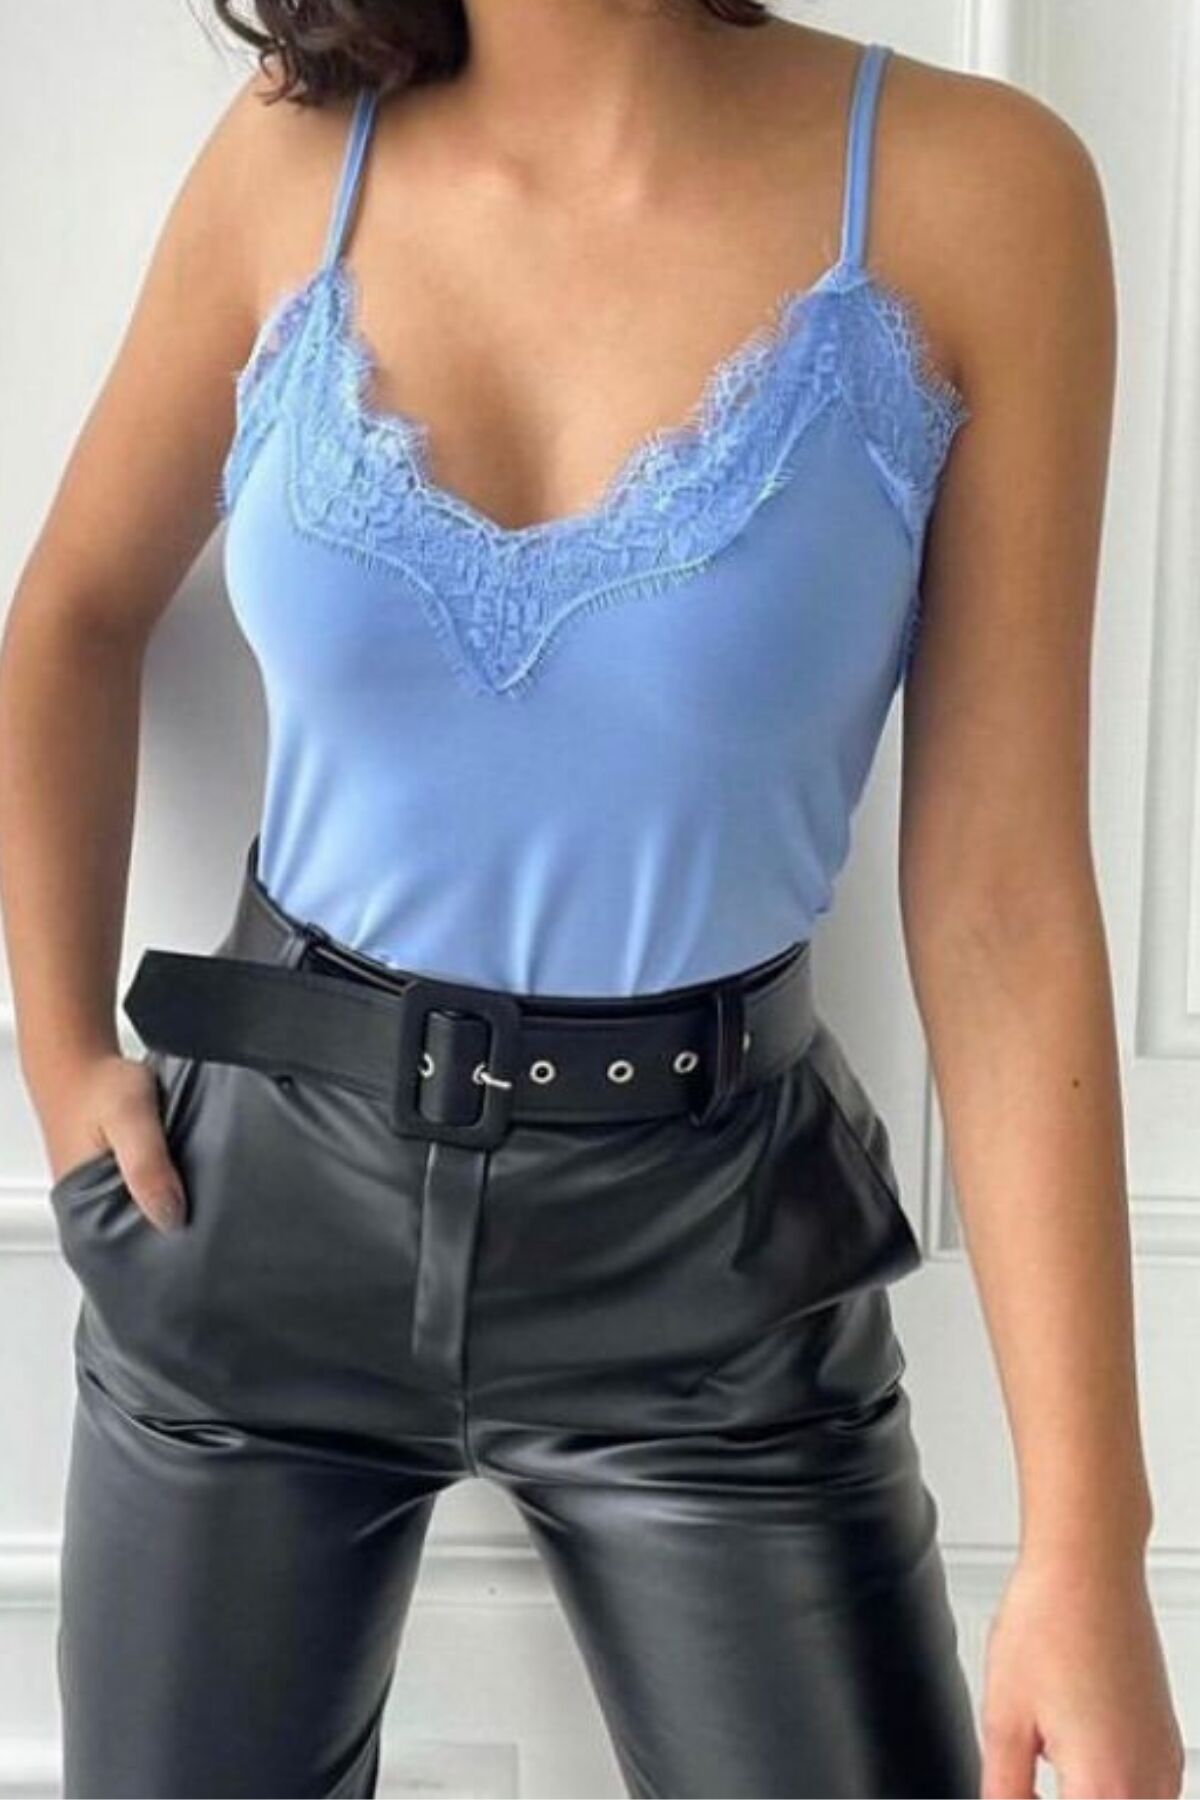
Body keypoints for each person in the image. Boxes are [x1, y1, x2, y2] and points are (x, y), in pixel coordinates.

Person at [0, 3, 1184, 1797]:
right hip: (256, 1218)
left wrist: (1090, 1550)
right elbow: (72, 619)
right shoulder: (290, 159)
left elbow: (1003, 903)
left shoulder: (975, 194)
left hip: (707, 1257)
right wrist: (63, 1056)